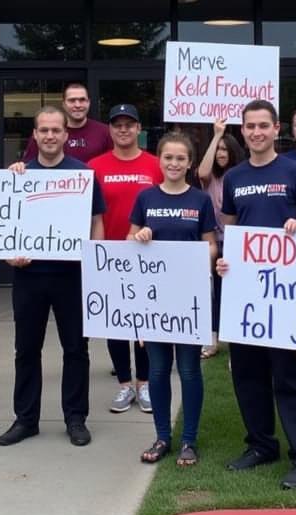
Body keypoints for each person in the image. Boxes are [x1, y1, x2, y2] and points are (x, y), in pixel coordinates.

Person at [217, 99, 296, 491]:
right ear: (242, 130)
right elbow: (230, 229)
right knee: (248, 374)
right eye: (250, 126)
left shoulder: (294, 172)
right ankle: (261, 444)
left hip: (287, 290)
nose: (257, 132)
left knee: (290, 372)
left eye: (264, 125)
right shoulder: (234, 177)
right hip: (246, 292)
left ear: (276, 128)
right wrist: (225, 263)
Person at [0, 106, 106, 447]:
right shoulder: (19, 175)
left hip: (71, 275)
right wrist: (7, 254)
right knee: (26, 349)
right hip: (29, 275)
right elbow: (2, 226)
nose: (49, 136)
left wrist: (95, 256)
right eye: (43, 130)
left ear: (65, 135)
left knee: (76, 348)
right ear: (34, 134)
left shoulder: (82, 174)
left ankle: (75, 418)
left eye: (55, 130)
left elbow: (96, 223)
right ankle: (26, 419)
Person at [130, 132, 217, 467]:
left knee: (190, 369)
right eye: (168, 158)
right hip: (154, 300)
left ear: (190, 162)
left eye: (181, 158)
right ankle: (162, 436)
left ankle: (189, 440)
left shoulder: (200, 200)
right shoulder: (146, 197)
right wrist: (140, 236)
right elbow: (129, 239)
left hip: (189, 297)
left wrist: (198, 254)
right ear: (160, 160)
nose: (174, 164)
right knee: (158, 369)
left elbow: (211, 244)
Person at [88, 104, 162, 414]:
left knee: (144, 323)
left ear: (138, 128)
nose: (123, 130)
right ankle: (123, 385)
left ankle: (144, 383)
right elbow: (89, 213)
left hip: (149, 254)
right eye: (117, 124)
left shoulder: (156, 165)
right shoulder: (94, 166)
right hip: (111, 253)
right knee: (116, 324)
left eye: (128, 124)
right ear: (110, 130)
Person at [196, 120, 245, 357]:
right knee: (214, 291)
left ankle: (238, 338)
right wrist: (216, 136)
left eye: (225, 150)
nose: (221, 154)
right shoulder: (210, 179)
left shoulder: (241, 176)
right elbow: (202, 172)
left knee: (236, 292)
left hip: (238, 242)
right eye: (218, 150)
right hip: (215, 241)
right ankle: (213, 338)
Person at [22, 81, 112, 163]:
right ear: (64, 104)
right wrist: (19, 167)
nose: (77, 105)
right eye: (72, 100)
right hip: (56, 181)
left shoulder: (105, 132)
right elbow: (28, 166)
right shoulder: (45, 134)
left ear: (89, 102)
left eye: (82, 100)